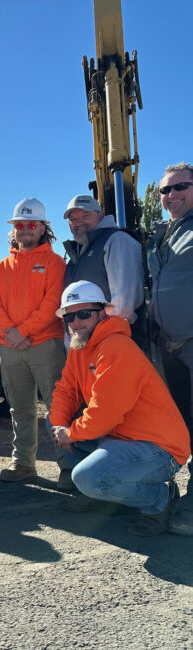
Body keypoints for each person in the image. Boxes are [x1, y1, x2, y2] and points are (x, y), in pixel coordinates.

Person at [50, 281, 190, 536]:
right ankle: (107, 495)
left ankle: (159, 499)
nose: (76, 322)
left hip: (159, 449)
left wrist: (70, 434)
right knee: (56, 421)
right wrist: (60, 425)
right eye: (70, 316)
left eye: (84, 314)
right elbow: (65, 390)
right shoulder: (79, 348)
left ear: (102, 313)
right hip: (119, 438)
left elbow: (106, 412)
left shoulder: (116, 347)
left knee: (86, 477)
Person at [0, 198, 73, 488]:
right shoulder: (0, 267)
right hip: (10, 348)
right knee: (20, 408)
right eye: (20, 225)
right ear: (14, 229)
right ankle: (23, 463)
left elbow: (52, 304)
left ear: (42, 228)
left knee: (57, 406)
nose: (25, 229)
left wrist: (21, 332)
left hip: (45, 345)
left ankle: (68, 467)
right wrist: (11, 333)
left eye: (31, 224)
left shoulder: (54, 263)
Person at [147, 161, 193, 535]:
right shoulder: (164, 235)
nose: (171, 195)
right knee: (185, 422)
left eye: (180, 187)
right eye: (165, 190)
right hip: (170, 345)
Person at [62, 194, 146, 349]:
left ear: (100, 215)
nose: (78, 223)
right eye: (73, 219)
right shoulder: (80, 252)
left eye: (85, 216)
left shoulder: (118, 240)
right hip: (87, 341)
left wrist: (105, 336)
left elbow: (124, 302)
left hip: (115, 341)